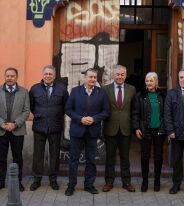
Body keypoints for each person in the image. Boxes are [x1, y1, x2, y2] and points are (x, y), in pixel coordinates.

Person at [64, 68, 110, 196]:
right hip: (77, 131)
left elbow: (106, 112)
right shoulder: (75, 91)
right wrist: (80, 119)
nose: (92, 79)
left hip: (92, 131)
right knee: (73, 159)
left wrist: (94, 119)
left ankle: (89, 185)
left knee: (91, 160)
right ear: (85, 78)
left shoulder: (101, 93)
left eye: (95, 77)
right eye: (90, 77)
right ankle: (71, 186)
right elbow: (68, 109)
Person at [0, 67, 30, 192]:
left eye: (12, 76)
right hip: (1, 130)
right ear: (4, 76)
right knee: (1, 157)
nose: (10, 78)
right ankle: (0, 181)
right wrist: (2, 123)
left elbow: (26, 110)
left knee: (17, 157)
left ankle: (18, 182)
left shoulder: (24, 91)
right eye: (7, 76)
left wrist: (15, 124)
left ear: (16, 77)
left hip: (17, 130)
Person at [29, 65, 69, 191]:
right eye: (46, 74)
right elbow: (31, 106)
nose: (48, 76)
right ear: (42, 75)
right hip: (39, 126)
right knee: (38, 155)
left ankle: (53, 179)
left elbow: (66, 106)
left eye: (50, 74)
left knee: (54, 154)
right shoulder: (35, 89)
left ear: (54, 76)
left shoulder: (62, 89)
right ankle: (37, 179)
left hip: (55, 126)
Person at [102, 65, 136, 193]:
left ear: (125, 76)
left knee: (125, 157)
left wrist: (134, 126)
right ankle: (109, 182)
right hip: (110, 128)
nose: (120, 76)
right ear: (113, 75)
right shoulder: (106, 89)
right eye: (118, 74)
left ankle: (126, 182)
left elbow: (134, 110)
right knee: (110, 157)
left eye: (122, 74)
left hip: (126, 129)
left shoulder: (132, 89)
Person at [131, 72, 167, 192]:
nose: (149, 83)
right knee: (145, 156)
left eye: (151, 81)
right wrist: (136, 128)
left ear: (156, 82)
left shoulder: (162, 95)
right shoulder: (139, 95)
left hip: (159, 130)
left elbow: (166, 114)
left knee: (158, 156)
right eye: (147, 81)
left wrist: (166, 128)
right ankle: (145, 181)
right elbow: (135, 114)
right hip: (144, 129)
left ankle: (157, 181)